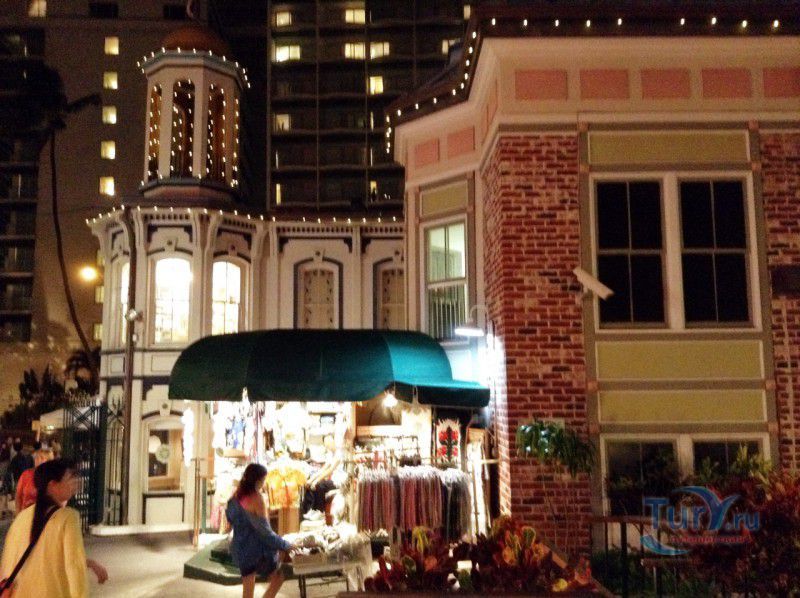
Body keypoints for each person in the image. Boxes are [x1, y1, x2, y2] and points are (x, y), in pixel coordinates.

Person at [0, 458, 103, 597]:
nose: (76, 481)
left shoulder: (22, 517)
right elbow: (74, 568)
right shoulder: (68, 517)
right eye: (70, 477)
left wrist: (90, 563)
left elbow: (9, 562)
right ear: (52, 485)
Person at [226, 463, 297, 598]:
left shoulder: (235, 496)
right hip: (257, 551)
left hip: (240, 549)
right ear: (258, 480)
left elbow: (229, 522)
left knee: (248, 588)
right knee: (278, 578)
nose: (264, 483)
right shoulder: (257, 498)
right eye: (263, 480)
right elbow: (265, 533)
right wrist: (286, 545)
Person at [15, 448, 54, 513]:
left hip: (44, 515)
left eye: (41, 458)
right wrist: (18, 514)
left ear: (48, 462)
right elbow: (18, 496)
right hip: (25, 514)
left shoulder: (52, 478)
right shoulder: (26, 474)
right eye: (36, 457)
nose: (38, 460)